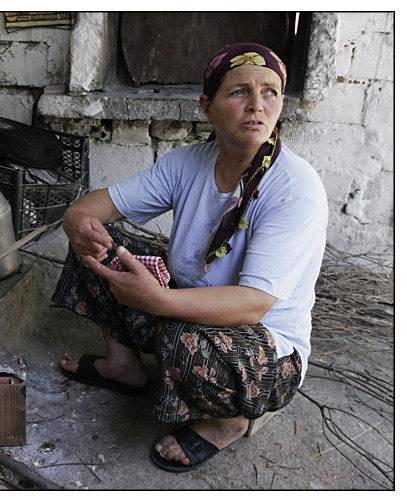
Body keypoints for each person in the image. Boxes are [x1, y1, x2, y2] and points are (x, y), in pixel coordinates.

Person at [51, 42, 328, 472]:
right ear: (207, 106)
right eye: (239, 92)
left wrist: (155, 301)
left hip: (264, 345)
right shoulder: (187, 163)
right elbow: (96, 209)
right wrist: (76, 221)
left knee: (185, 341)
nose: (257, 105)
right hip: (190, 302)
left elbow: (254, 304)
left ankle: (230, 423)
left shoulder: (294, 187)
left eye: (270, 92)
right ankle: (124, 367)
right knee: (101, 247)